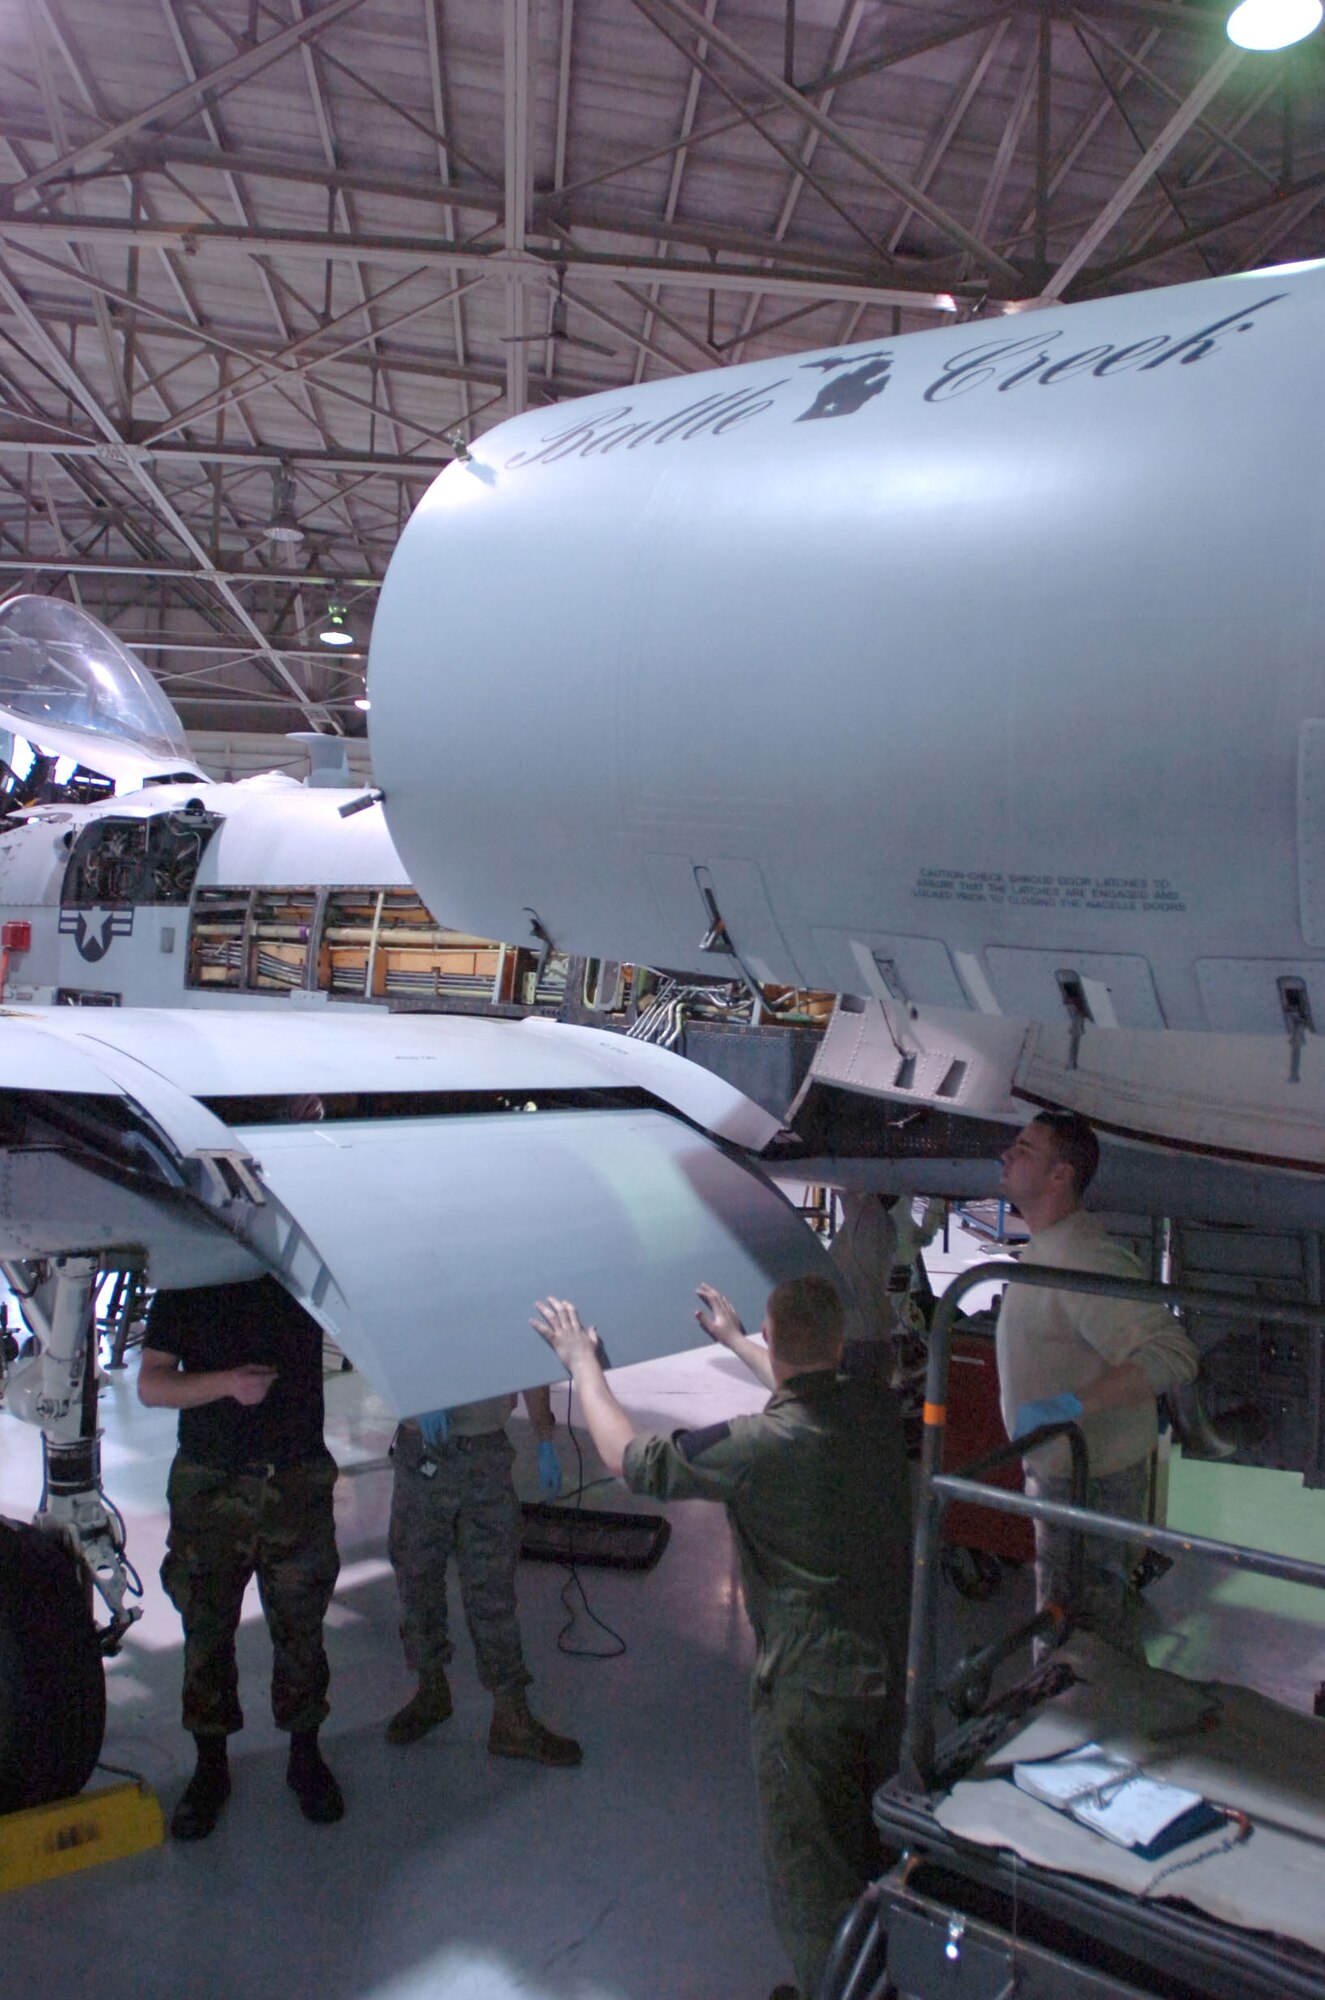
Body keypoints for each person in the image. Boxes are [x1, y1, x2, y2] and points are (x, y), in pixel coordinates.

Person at [532, 1273, 912, 2000]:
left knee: (810, 1879)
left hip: (806, 1689)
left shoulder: (760, 1447)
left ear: (776, 1336)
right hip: (883, 1670)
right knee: (865, 1848)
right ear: (836, 1342)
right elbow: (803, 1384)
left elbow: (630, 1459)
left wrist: (582, 1364)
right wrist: (737, 1340)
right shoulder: (869, 1410)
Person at [138, 1274, 344, 1841]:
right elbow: (152, 1384)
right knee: (206, 1629)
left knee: (301, 1627)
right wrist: (227, 1383)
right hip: (211, 1484)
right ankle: (211, 1769)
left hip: (296, 1479)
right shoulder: (194, 1275)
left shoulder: (299, 1271)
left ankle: (305, 1755)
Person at [996, 1110, 1199, 1656]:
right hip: (1063, 1476)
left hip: (1091, 1483)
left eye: (1024, 1149)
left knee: (1081, 1642)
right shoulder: (1049, 1247)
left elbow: (1172, 1354)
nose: (1006, 1156)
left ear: (1060, 1176)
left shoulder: (1083, 1257)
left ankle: (1079, 1724)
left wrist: (1070, 1404)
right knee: (1067, 1625)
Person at [384, 1386, 581, 1766]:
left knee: (492, 1587)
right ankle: (431, 1690)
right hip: (421, 1448)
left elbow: (528, 1360)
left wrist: (545, 1439)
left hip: (484, 1451)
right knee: (416, 1577)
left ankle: (511, 1716)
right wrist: (417, 1399)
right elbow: (379, 1350)